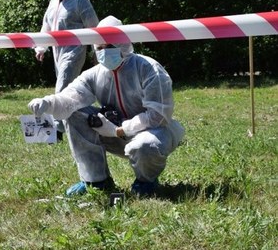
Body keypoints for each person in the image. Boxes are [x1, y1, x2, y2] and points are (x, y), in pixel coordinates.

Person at [28, 16, 185, 197]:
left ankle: (146, 182)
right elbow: (71, 97)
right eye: (99, 48)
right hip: (111, 132)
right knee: (74, 112)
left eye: (109, 46)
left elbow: (159, 115)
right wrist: (48, 102)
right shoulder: (95, 74)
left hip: (153, 132)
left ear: (123, 44)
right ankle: (96, 181)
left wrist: (119, 130)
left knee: (145, 146)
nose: (103, 52)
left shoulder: (148, 68)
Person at [34, 0, 99, 139]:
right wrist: (41, 48)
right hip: (57, 51)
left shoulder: (80, 1)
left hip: (74, 50)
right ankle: (83, 118)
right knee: (66, 88)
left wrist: (98, 49)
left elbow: (94, 27)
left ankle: (57, 131)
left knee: (62, 86)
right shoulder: (52, 3)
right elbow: (46, 27)